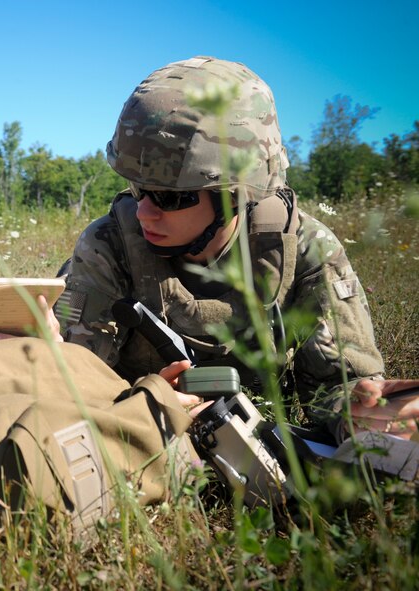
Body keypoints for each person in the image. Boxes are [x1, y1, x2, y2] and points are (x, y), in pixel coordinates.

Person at [58, 56, 418, 442]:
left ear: (235, 196)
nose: (144, 211)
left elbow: (336, 387)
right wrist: (145, 401)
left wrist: (363, 412)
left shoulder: (307, 250)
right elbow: (74, 390)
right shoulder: (108, 246)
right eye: (137, 189)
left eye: (169, 197)